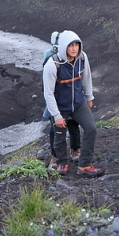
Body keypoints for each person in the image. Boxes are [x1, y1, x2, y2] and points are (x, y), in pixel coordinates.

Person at [43, 30, 102, 176]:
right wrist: (56, 115)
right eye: (71, 45)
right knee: (59, 134)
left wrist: (89, 98)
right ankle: (62, 163)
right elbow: (48, 93)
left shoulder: (82, 58)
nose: (74, 48)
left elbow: (86, 78)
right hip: (60, 105)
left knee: (91, 129)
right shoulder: (52, 64)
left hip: (78, 103)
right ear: (64, 46)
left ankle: (84, 165)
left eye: (77, 44)